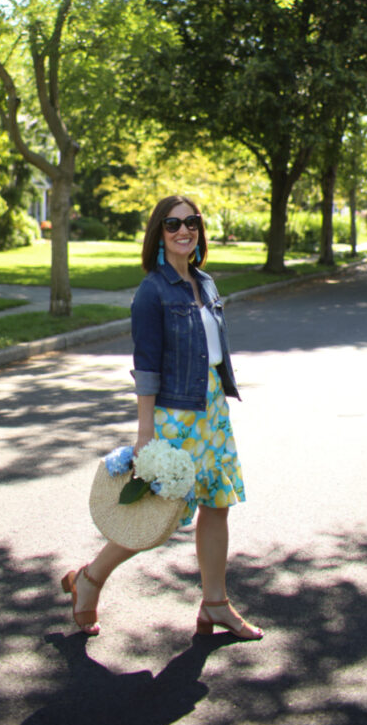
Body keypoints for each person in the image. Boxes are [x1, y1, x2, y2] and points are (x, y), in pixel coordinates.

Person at [62, 194, 262, 640]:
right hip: (175, 413)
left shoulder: (206, 284)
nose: (184, 231)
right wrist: (145, 430)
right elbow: (146, 366)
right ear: (159, 233)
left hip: (211, 410)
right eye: (173, 225)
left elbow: (211, 355)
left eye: (191, 222)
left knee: (218, 504)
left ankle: (215, 604)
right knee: (159, 514)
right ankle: (89, 579)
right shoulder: (152, 291)